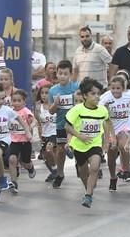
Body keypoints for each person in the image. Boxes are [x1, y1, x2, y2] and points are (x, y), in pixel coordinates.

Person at [65, 77, 114, 208]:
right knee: (82, 170)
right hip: (79, 145)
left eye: (98, 94)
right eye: (93, 94)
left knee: (94, 167)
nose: (96, 96)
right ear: (85, 96)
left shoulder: (102, 110)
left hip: (94, 144)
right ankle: (88, 186)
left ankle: (88, 196)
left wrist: (108, 140)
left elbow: (108, 122)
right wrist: (79, 135)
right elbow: (67, 126)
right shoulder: (77, 110)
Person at [100, 75, 130, 189]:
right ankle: (113, 177)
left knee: (124, 145)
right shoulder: (106, 97)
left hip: (124, 126)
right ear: (110, 88)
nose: (115, 91)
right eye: (113, 88)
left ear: (123, 88)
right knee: (112, 153)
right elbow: (98, 108)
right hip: (111, 127)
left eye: (118, 88)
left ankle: (126, 170)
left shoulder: (128, 95)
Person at [48, 60, 79, 188]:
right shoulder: (53, 90)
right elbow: (51, 111)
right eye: (60, 73)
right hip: (61, 124)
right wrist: (55, 104)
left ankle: (80, 165)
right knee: (60, 150)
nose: (62, 76)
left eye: (65, 74)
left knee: (78, 148)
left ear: (70, 74)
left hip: (75, 124)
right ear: (57, 74)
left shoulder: (76, 87)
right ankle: (60, 174)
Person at [7, 89, 37, 193]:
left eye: (19, 101)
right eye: (14, 100)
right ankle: (14, 183)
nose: (16, 103)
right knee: (12, 159)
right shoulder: (9, 112)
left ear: (24, 102)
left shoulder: (26, 111)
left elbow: (34, 121)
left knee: (25, 163)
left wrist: (30, 126)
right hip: (13, 141)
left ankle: (30, 167)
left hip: (25, 141)